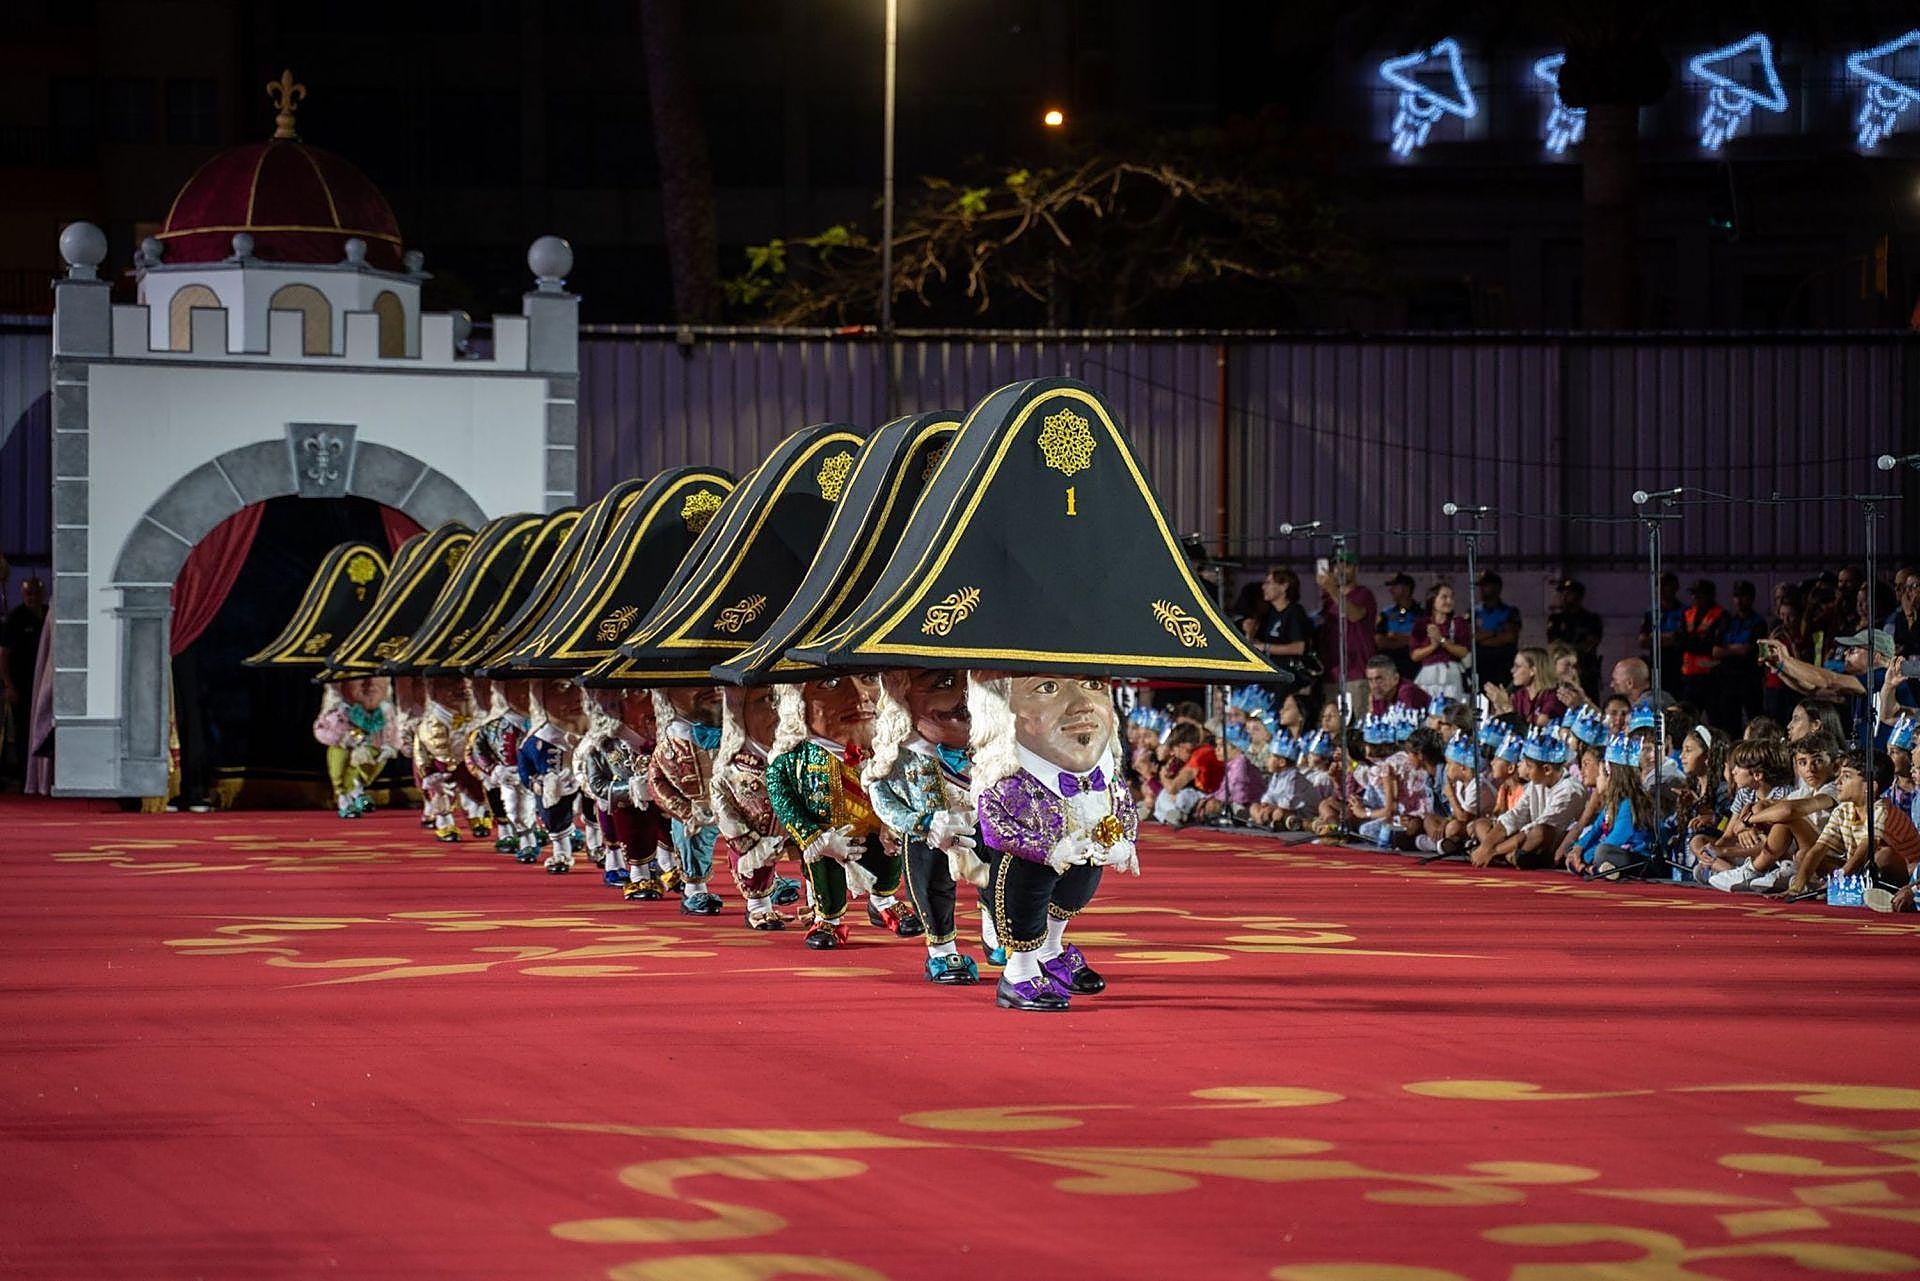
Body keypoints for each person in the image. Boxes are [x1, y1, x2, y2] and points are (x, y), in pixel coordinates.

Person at [971, 671, 1139, 1013]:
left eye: (1094, 685)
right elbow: (994, 827)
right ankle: (1019, 971)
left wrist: (1124, 842)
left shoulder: (1105, 777)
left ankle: (1051, 950)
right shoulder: (1011, 778)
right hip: (1032, 860)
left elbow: (1124, 807)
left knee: (1079, 885)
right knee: (1025, 885)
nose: (1083, 705)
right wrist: (1049, 849)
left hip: (1083, 854)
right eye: (1048, 688)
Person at [767, 676, 922, 949]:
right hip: (827, 834)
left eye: (869, 679)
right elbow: (782, 795)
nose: (860, 695)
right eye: (831, 683)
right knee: (825, 873)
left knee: (888, 862)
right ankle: (828, 919)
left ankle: (884, 901)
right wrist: (811, 836)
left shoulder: (889, 750)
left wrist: (896, 821)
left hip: (876, 828)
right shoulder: (794, 758)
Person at [867, 669, 998, 979]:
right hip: (928, 833)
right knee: (931, 886)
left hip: (983, 825)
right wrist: (920, 822)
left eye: (971, 682)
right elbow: (882, 796)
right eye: (944, 684)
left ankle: (997, 934)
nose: (964, 697)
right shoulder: (901, 754)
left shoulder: (993, 748)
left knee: (999, 878)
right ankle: (943, 951)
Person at [1784, 750, 1920, 899]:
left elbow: (1866, 848)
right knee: (1804, 855)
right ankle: (1824, 886)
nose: (1838, 782)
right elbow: (1820, 848)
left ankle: (1853, 888)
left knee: (1883, 855)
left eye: (1847, 776)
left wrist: (1839, 880)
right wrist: (1796, 887)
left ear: (1870, 787)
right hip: (1861, 868)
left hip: (1907, 875)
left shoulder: (1881, 809)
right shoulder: (1843, 810)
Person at [648, 685, 729, 915]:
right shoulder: (673, 741)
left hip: (737, 805)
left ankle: (763, 890)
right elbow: (656, 782)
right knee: (692, 838)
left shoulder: (739, 733)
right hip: (696, 808)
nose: (713, 688)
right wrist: (684, 810)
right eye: (694, 683)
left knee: (755, 841)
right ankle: (695, 888)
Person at [1760, 627, 1909, 748]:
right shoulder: (1859, 686)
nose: (1845, 653)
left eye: (1853, 650)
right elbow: (1812, 690)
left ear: (1875, 656)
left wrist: (1787, 660)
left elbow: (1829, 680)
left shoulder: (1882, 676)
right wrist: (1780, 669)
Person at [1315, 551, 1378, 717]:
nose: (1340, 569)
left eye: (1346, 565)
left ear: (1356, 569)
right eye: (1336, 565)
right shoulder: (1327, 600)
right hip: (1332, 674)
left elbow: (1355, 614)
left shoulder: (1363, 594)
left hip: (1356, 673)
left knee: (1356, 722)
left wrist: (1331, 589)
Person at [0, 575, 47, 782]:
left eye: (36, 593)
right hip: (21, 684)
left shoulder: (48, 615)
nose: (32, 598)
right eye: (28, 594)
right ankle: (23, 775)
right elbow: (3, 655)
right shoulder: (15, 619)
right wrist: (8, 685)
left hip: (44, 684)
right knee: (21, 730)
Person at [1249, 568, 1317, 690]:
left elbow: (1299, 647)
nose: (1264, 587)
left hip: (1289, 678)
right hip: (1271, 678)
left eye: (1269, 583)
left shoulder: (1294, 612)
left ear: (1284, 586)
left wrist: (1266, 647)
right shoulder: (1269, 614)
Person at [1153, 722, 1226, 826]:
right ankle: (1172, 814)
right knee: (1164, 795)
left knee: (1180, 794)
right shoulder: (1199, 752)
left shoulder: (1200, 755)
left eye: (1174, 749)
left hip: (1211, 795)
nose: (1174, 754)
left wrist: (1162, 775)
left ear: (1182, 746)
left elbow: (1173, 787)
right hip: (1202, 794)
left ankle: (1175, 814)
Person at [1410, 581, 1472, 700]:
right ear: (1433, 600)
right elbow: (1414, 655)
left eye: (1451, 597)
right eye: (1444, 597)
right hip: (1428, 675)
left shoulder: (1458, 623)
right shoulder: (1422, 624)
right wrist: (1432, 647)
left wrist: (1442, 640)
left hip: (1451, 674)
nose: (1449, 601)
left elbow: (1464, 652)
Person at [1544, 578, 1603, 698]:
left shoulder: (1591, 619)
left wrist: (1569, 648)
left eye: (1569, 593)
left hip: (1586, 668)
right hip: (1562, 667)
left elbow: (1590, 643)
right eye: (1564, 593)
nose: (1565, 597)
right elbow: (1554, 644)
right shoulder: (1556, 619)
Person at [1719, 580, 1767, 730]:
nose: (1739, 600)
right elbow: (1715, 651)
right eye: (1736, 596)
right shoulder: (1728, 621)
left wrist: (1728, 650)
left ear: (1751, 598)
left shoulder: (1759, 622)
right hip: (1729, 679)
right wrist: (1736, 649)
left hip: (1750, 679)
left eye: (1743, 596)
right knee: (1729, 722)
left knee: (1755, 719)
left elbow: (1748, 650)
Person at [1676, 579, 1728, 716]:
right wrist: (1697, 642)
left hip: (1711, 676)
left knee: (1716, 717)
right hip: (1689, 676)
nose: (1695, 598)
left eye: (1699, 594)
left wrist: (1692, 642)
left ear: (1710, 595)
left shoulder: (1721, 615)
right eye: (1693, 594)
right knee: (1687, 716)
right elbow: (1680, 641)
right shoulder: (1687, 613)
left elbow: (1715, 645)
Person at [1487, 646, 1564, 729]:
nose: (1512, 670)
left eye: (1517, 666)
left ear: (1533, 671)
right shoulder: (1519, 695)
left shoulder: (1553, 697)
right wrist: (1499, 707)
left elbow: (1532, 732)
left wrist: (1507, 708)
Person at [1473, 572, 1521, 695]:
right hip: (1481, 663)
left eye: (1486, 586)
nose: (1482, 590)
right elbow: (1472, 637)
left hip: (1503, 663)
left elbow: (1510, 637)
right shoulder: (1474, 612)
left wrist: (1484, 637)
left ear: (1497, 587)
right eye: (1481, 586)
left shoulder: (1510, 611)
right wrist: (1496, 632)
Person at [1639, 572, 1685, 695]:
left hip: (1677, 666)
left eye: (1665, 585)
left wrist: (1655, 638)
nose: (1660, 589)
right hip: (1656, 665)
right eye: (1657, 585)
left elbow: (1680, 639)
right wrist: (1666, 638)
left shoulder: (1685, 612)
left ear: (1675, 587)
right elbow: (1642, 641)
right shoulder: (1651, 612)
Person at [1376, 572, 1422, 681]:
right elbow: (1379, 641)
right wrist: (1409, 640)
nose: (1391, 590)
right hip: (1391, 669)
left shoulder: (1422, 614)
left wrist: (1395, 638)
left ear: (1406, 589)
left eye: (1395, 587)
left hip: (1416, 670)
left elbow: (1425, 641)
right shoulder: (1386, 613)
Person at [1364, 653, 1430, 719]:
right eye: (1370, 680)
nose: (1374, 685)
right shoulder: (1379, 695)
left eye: (1379, 679)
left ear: (1396, 678)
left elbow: (1406, 725)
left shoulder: (1407, 691)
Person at [1887, 569, 1920, 657]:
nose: (1908, 591)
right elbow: (1900, 643)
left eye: (1914, 586)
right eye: (1907, 587)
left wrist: (1909, 615)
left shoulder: (1907, 613)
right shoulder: (1900, 616)